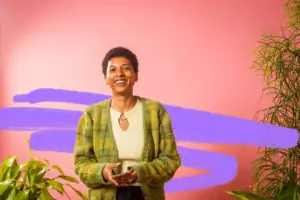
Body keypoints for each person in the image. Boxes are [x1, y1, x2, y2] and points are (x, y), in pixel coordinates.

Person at [73, 47, 181, 200]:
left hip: (146, 194)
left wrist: (140, 172)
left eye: (126, 69)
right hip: (105, 194)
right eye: (113, 70)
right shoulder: (91, 115)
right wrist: (102, 171)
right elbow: (81, 163)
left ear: (135, 75)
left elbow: (171, 159)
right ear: (105, 77)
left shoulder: (155, 111)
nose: (119, 74)